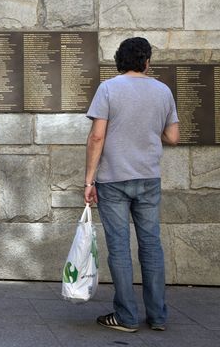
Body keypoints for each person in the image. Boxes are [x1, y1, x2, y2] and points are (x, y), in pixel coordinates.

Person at [84, 37, 179, 333]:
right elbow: (173, 136)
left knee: (120, 249)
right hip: (148, 178)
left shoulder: (109, 88)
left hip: (113, 179)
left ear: (119, 60)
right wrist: (148, 131)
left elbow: (97, 136)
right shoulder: (162, 91)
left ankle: (125, 316)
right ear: (146, 61)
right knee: (151, 246)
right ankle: (158, 316)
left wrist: (88, 179)